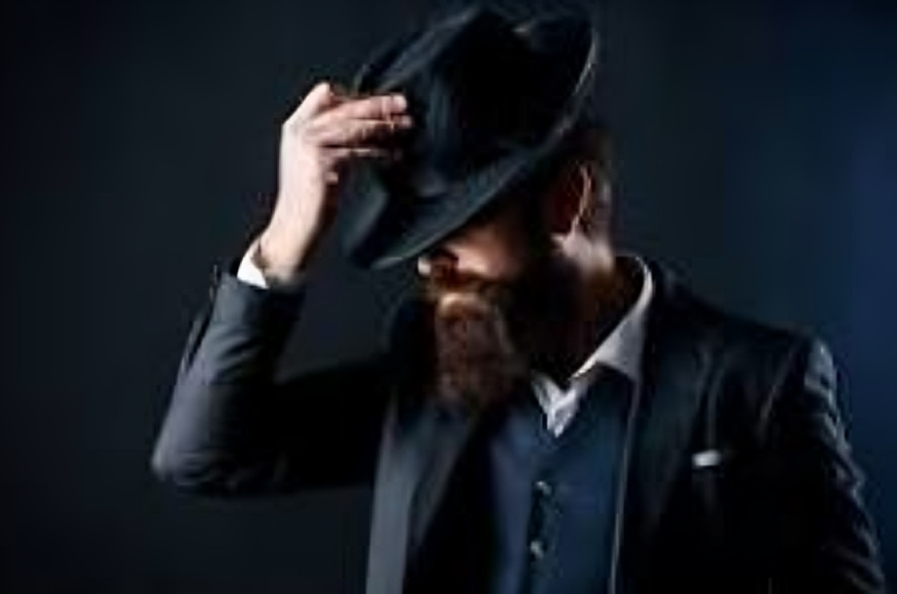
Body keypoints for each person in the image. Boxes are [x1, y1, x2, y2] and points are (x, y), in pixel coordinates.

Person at [151, 6, 886, 594]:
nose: (427, 265)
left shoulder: (759, 385)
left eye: (454, 228)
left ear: (566, 200)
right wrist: (285, 239)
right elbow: (203, 456)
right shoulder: (427, 363)